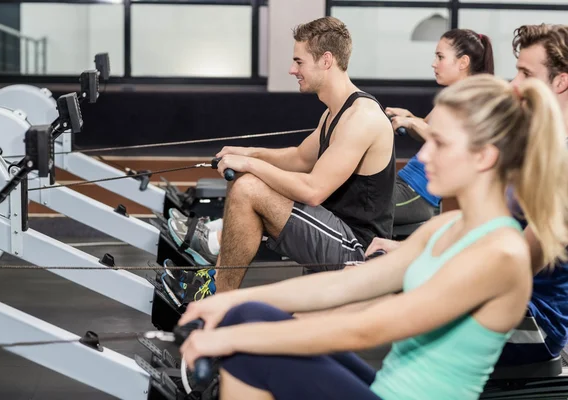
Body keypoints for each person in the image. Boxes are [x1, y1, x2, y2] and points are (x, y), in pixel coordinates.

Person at [177, 74, 568, 400]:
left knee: (249, 353)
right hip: (385, 389)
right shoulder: (445, 228)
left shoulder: (500, 254)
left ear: (484, 157)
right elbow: (348, 284)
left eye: (440, 143)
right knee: (248, 315)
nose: (423, 155)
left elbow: (371, 327)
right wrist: (226, 303)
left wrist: (229, 341)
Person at [369, 23, 568, 367]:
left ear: (560, 82)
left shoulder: (561, 164)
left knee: (405, 315)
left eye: (525, 73)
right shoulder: (534, 143)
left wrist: (426, 258)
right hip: (499, 294)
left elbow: (516, 261)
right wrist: (413, 249)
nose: (513, 84)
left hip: (533, 319)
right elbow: (487, 225)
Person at [162, 16, 396, 305]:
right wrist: (246, 152)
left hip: (358, 250)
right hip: (334, 230)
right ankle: (217, 282)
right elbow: (298, 158)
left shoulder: (361, 118)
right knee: (248, 186)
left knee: (249, 187)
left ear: (326, 60)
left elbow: (313, 190)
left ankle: (216, 300)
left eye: (299, 62)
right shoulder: (334, 113)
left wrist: (249, 165)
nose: (291, 69)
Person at [387, 28, 494, 226]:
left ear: (463, 62)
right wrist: (408, 117)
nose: (434, 63)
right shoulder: (452, 96)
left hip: (416, 195)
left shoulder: (471, 98)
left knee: (356, 204)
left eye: (440, 57)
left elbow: (448, 141)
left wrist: (411, 122)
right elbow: (426, 128)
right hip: (405, 183)